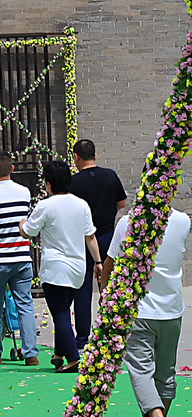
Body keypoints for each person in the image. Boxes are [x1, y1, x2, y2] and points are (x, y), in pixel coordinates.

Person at [102, 201, 190, 417]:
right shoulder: (183, 221)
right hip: (172, 309)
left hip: (140, 309)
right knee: (166, 373)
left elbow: (109, 264)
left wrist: (106, 297)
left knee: (140, 370)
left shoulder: (127, 223)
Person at [21, 160, 102, 375]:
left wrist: (21, 223)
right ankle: (58, 354)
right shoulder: (81, 204)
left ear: (47, 184)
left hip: (55, 269)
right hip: (78, 268)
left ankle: (74, 358)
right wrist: (99, 262)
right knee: (63, 312)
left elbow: (28, 231)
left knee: (60, 315)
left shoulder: (45, 205)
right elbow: (90, 236)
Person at [70, 139, 127, 349]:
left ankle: (83, 337)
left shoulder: (74, 182)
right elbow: (121, 203)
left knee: (83, 288)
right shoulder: (110, 175)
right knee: (110, 285)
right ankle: (112, 331)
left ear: (76, 157)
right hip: (108, 235)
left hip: (84, 238)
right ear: (95, 155)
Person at [0, 151, 39, 367]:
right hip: (21, 256)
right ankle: (30, 353)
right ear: (12, 169)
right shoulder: (24, 192)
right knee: (25, 304)